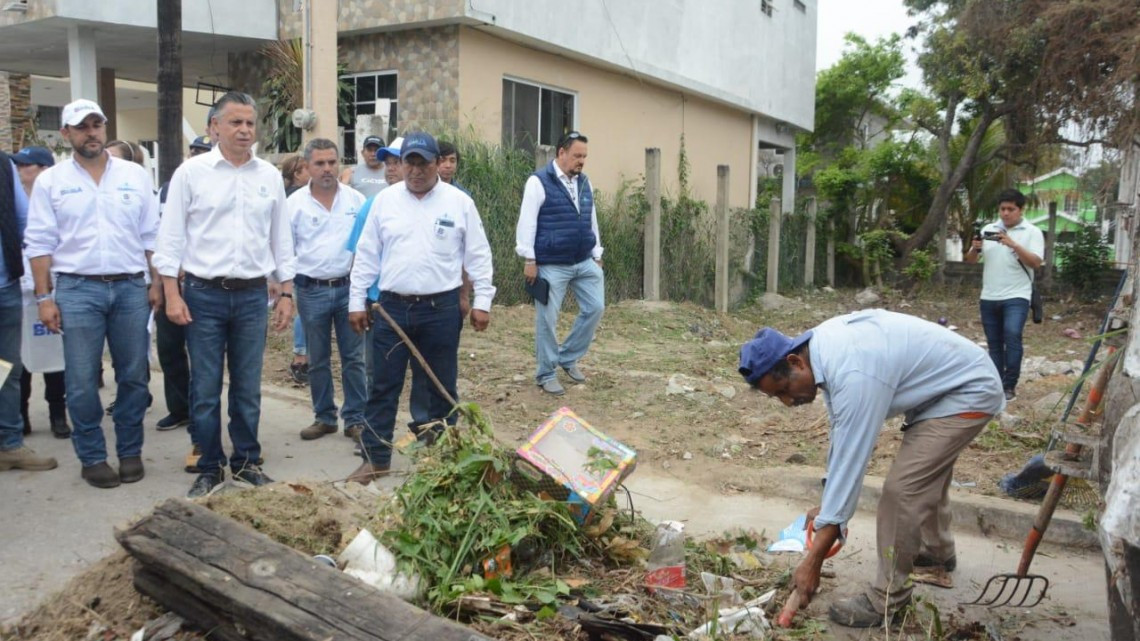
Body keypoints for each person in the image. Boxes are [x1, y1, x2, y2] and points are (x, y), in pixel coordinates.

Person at [737, 309, 1004, 627]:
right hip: (947, 388)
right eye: (776, 396)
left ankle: (886, 601)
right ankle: (936, 554)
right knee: (926, 473)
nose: (786, 401)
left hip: (968, 391)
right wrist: (829, 502)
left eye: (783, 389)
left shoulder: (853, 371)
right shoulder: (824, 350)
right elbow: (842, 434)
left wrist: (813, 561)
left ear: (795, 362)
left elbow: (853, 459)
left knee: (903, 491)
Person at [154, 91, 295, 498]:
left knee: (248, 386)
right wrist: (172, 294)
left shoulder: (268, 175)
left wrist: (286, 292)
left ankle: (247, 460)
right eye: (235, 122)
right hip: (203, 296)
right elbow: (171, 238)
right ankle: (210, 465)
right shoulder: (191, 173)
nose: (244, 130)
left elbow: (280, 239)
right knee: (205, 385)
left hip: (252, 297)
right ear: (214, 127)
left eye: (250, 123)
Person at [26, 99, 160, 488]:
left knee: (134, 375)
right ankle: (92, 457)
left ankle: (130, 450)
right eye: (81, 127)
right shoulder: (52, 182)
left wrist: (156, 282)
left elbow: (151, 233)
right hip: (77, 289)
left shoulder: (134, 175)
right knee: (82, 380)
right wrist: (44, 298)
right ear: (66, 134)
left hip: (130, 287)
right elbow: (38, 243)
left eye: (96, 124)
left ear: (105, 127)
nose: (91, 133)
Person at [347, 131, 494, 483]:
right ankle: (376, 458)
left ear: (435, 164)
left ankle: (445, 460)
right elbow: (367, 254)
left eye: (422, 163)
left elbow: (478, 254)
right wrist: (356, 301)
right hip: (391, 309)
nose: (415, 171)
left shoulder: (459, 203)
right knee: (383, 386)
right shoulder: (385, 202)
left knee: (440, 387)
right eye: (408, 163)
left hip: (440, 310)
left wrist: (482, 301)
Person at [288, 138, 368, 442]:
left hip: (349, 289)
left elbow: (366, 248)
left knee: (354, 358)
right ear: (307, 166)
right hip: (311, 291)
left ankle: (356, 419)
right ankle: (324, 417)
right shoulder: (293, 205)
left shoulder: (356, 201)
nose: (326, 169)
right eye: (319, 163)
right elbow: (285, 248)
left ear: (340, 164)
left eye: (332, 162)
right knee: (317, 358)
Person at [515, 131, 604, 396]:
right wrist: (529, 258)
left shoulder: (584, 182)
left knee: (595, 308)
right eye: (577, 155)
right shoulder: (538, 181)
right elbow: (527, 221)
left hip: (584, 260)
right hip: (551, 263)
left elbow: (591, 219)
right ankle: (546, 372)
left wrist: (597, 254)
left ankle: (567, 357)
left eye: (584, 156)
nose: (581, 161)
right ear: (561, 153)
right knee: (548, 319)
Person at [0, 147, 58, 475]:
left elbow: (25, 220)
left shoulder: (3, 165)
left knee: (6, 368)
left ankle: (8, 444)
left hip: (5, 286)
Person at [152, 136, 213, 439]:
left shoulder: (218, 186)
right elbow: (159, 234)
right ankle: (179, 408)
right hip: (171, 280)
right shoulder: (170, 186)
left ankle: (203, 424)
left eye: (202, 152)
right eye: (193, 150)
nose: (195, 155)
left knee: (204, 357)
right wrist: (161, 282)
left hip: (202, 282)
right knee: (170, 347)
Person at [11, 146, 69, 439]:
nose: (20, 169)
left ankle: (58, 413)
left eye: (27, 164)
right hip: (16, 291)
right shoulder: (10, 199)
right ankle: (19, 415)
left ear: (44, 169)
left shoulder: (56, 200)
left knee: (54, 355)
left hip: (52, 287)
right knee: (17, 358)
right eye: (17, 164)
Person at [964, 188, 1044, 402]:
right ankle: (996, 383)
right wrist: (974, 248)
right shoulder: (989, 229)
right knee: (994, 343)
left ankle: (1010, 385)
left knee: (1012, 335)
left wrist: (1014, 244)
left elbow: (1036, 263)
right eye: (1002, 209)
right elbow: (971, 261)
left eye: (1011, 209)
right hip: (989, 295)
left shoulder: (1032, 231)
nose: (1006, 213)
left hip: (1017, 296)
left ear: (1020, 210)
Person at [281, 154, 311, 384]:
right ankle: (300, 359)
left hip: (298, 267)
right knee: (304, 315)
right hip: (300, 267)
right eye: (306, 169)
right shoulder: (295, 199)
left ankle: (301, 357)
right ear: (297, 174)